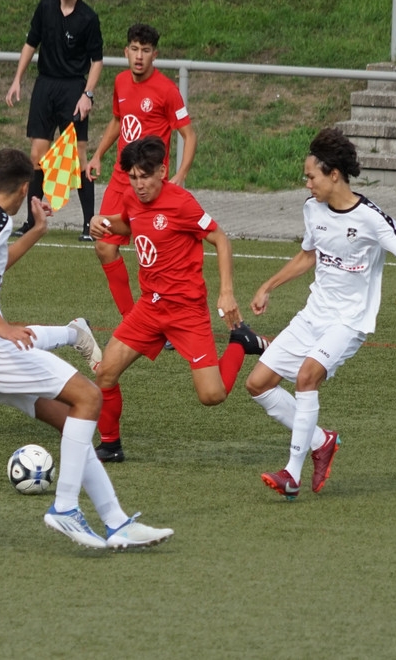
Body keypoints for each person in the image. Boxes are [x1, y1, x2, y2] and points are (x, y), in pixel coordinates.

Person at [0, 147, 170, 550]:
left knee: (72, 423)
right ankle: (65, 507)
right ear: (25, 189)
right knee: (90, 396)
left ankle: (116, 522)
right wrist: (1, 326)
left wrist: (36, 230)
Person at [246, 128, 396, 500]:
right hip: (314, 314)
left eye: (311, 176)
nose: (307, 183)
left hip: (349, 321)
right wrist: (268, 286)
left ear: (334, 175)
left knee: (307, 377)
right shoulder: (313, 209)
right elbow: (308, 255)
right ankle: (321, 440)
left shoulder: (371, 218)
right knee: (258, 384)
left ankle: (291, 474)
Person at [89, 137, 267, 463]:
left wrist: (226, 292)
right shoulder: (131, 197)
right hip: (149, 307)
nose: (139, 185)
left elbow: (220, 239)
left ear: (162, 171)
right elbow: (127, 223)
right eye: (133, 177)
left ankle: (241, 343)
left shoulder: (182, 203)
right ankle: (111, 445)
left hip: (186, 311)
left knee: (212, 395)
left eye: (146, 176)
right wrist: (101, 222)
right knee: (105, 374)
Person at [86, 23, 196, 319]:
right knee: (104, 246)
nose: (139, 56)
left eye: (145, 50)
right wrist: (98, 154)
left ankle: (170, 319)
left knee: (156, 256)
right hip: (120, 181)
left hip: (151, 187)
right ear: (126, 51)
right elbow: (118, 120)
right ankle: (132, 320)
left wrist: (180, 175)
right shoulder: (121, 81)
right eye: (134, 49)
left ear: (154, 55)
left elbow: (189, 135)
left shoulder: (167, 90)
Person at [5, 0, 102, 240]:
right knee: (37, 155)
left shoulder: (88, 17)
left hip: (73, 89)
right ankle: (32, 220)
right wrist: (17, 79)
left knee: (78, 157)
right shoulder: (45, 7)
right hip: (45, 86)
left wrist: (87, 95)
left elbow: (97, 61)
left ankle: (89, 225)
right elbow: (30, 44)